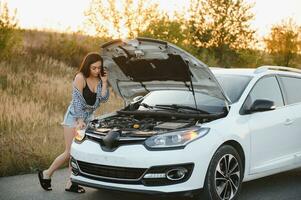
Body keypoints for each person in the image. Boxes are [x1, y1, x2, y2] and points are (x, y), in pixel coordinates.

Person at [38, 52, 109, 193]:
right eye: (93, 68)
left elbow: (103, 99)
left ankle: (71, 183)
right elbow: (77, 101)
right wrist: (80, 120)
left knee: (77, 152)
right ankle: (46, 174)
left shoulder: (100, 79)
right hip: (74, 117)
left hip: (88, 118)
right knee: (70, 151)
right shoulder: (80, 77)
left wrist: (105, 82)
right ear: (87, 66)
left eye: (99, 68)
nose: (96, 71)